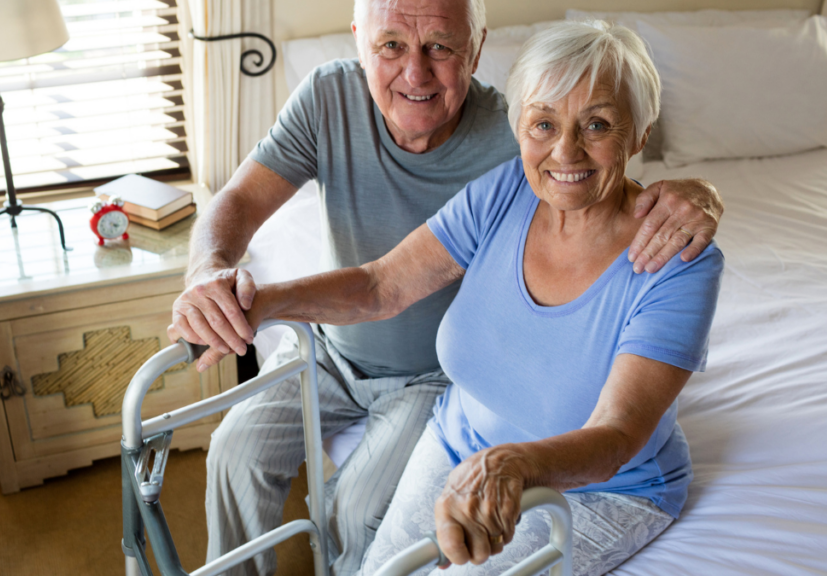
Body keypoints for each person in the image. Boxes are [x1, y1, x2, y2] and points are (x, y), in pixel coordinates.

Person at [170, 1, 724, 575]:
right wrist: (248, 301)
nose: (565, 151)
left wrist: (509, 464)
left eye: (599, 125)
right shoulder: (510, 185)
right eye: (545, 125)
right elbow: (380, 285)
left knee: (374, 525)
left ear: (641, 134)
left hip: (597, 482)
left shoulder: (678, 259)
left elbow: (615, 438)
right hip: (456, 432)